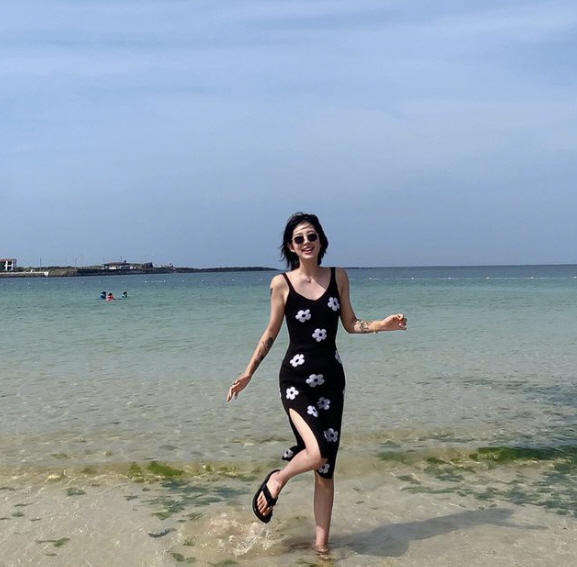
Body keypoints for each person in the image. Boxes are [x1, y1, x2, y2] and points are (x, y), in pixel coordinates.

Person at [226, 212, 407, 554]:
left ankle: (321, 548)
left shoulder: (339, 276)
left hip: (332, 383)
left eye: (312, 236)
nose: (306, 242)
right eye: (299, 238)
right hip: (295, 381)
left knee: (325, 469)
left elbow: (350, 323)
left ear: (321, 240)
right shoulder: (281, 284)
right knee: (317, 450)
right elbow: (270, 333)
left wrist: (381, 326)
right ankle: (277, 479)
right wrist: (248, 372)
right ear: (290, 247)